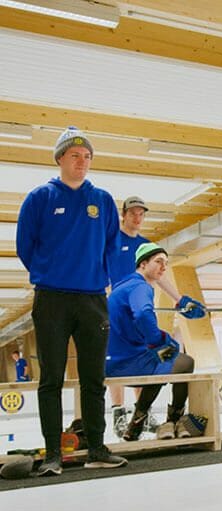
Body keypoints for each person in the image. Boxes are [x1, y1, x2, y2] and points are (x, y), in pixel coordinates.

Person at [16, 126, 127, 476]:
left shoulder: (103, 200)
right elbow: (25, 244)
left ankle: (96, 447)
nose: (83, 161)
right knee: (51, 378)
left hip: (92, 298)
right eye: (76, 155)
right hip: (51, 299)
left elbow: (112, 243)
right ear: (61, 158)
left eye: (88, 156)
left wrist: (100, 276)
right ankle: (53, 454)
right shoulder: (40, 198)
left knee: (93, 377)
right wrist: (48, 273)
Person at [106, 195, 206, 438]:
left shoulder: (146, 245)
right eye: (133, 213)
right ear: (124, 214)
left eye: (142, 214)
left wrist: (178, 299)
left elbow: (158, 275)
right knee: (169, 357)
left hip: (125, 317)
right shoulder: (111, 241)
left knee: (157, 356)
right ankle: (125, 413)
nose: (138, 218)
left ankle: (139, 418)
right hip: (118, 311)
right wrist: (160, 338)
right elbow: (96, 268)